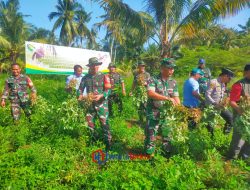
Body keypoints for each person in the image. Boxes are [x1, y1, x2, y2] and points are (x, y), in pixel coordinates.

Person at [145, 58, 180, 155]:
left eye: (173, 68)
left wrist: (180, 108)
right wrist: (167, 98)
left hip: (167, 113)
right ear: (162, 68)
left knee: (167, 134)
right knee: (151, 134)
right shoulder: (153, 79)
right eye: (169, 68)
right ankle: (149, 155)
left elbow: (176, 97)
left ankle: (166, 154)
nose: (172, 70)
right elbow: (150, 93)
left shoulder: (173, 82)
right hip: (153, 111)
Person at [78, 57, 112, 150]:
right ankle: (92, 140)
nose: (95, 67)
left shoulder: (105, 76)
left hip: (102, 105)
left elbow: (108, 90)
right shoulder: (85, 78)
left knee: (104, 124)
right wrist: (80, 96)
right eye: (93, 65)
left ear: (98, 66)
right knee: (89, 124)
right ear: (90, 66)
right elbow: (80, 89)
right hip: (90, 105)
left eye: (96, 65)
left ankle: (108, 143)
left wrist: (102, 95)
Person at [227, 64, 250, 160]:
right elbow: (232, 102)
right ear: (245, 72)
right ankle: (231, 158)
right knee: (238, 138)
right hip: (240, 116)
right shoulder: (239, 84)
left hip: (248, 116)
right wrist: (240, 110)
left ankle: (244, 157)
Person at [205, 68, 234, 136]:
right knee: (210, 124)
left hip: (220, 106)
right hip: (211, 107)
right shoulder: (213, 82)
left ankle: (225, 135)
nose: (229, 80)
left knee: (230, 118)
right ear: (225, 76)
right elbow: (207, 94)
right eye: (229, 78)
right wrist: (214, 103)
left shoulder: (223, 84)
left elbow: (221, 93)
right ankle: (211, 138)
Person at [129, 60, 151, 125]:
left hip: (145, 92)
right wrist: (131, 91)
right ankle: (140, 120)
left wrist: (145, 83)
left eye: (143, 66)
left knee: (145, 106)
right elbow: (134, 83)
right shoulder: (136, 74)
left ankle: (147, 121)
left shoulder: (147, 74)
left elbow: (150, 83)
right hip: (138, 93)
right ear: (138, 66)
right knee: (139, 107)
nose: (142, 67)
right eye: (141, 66)